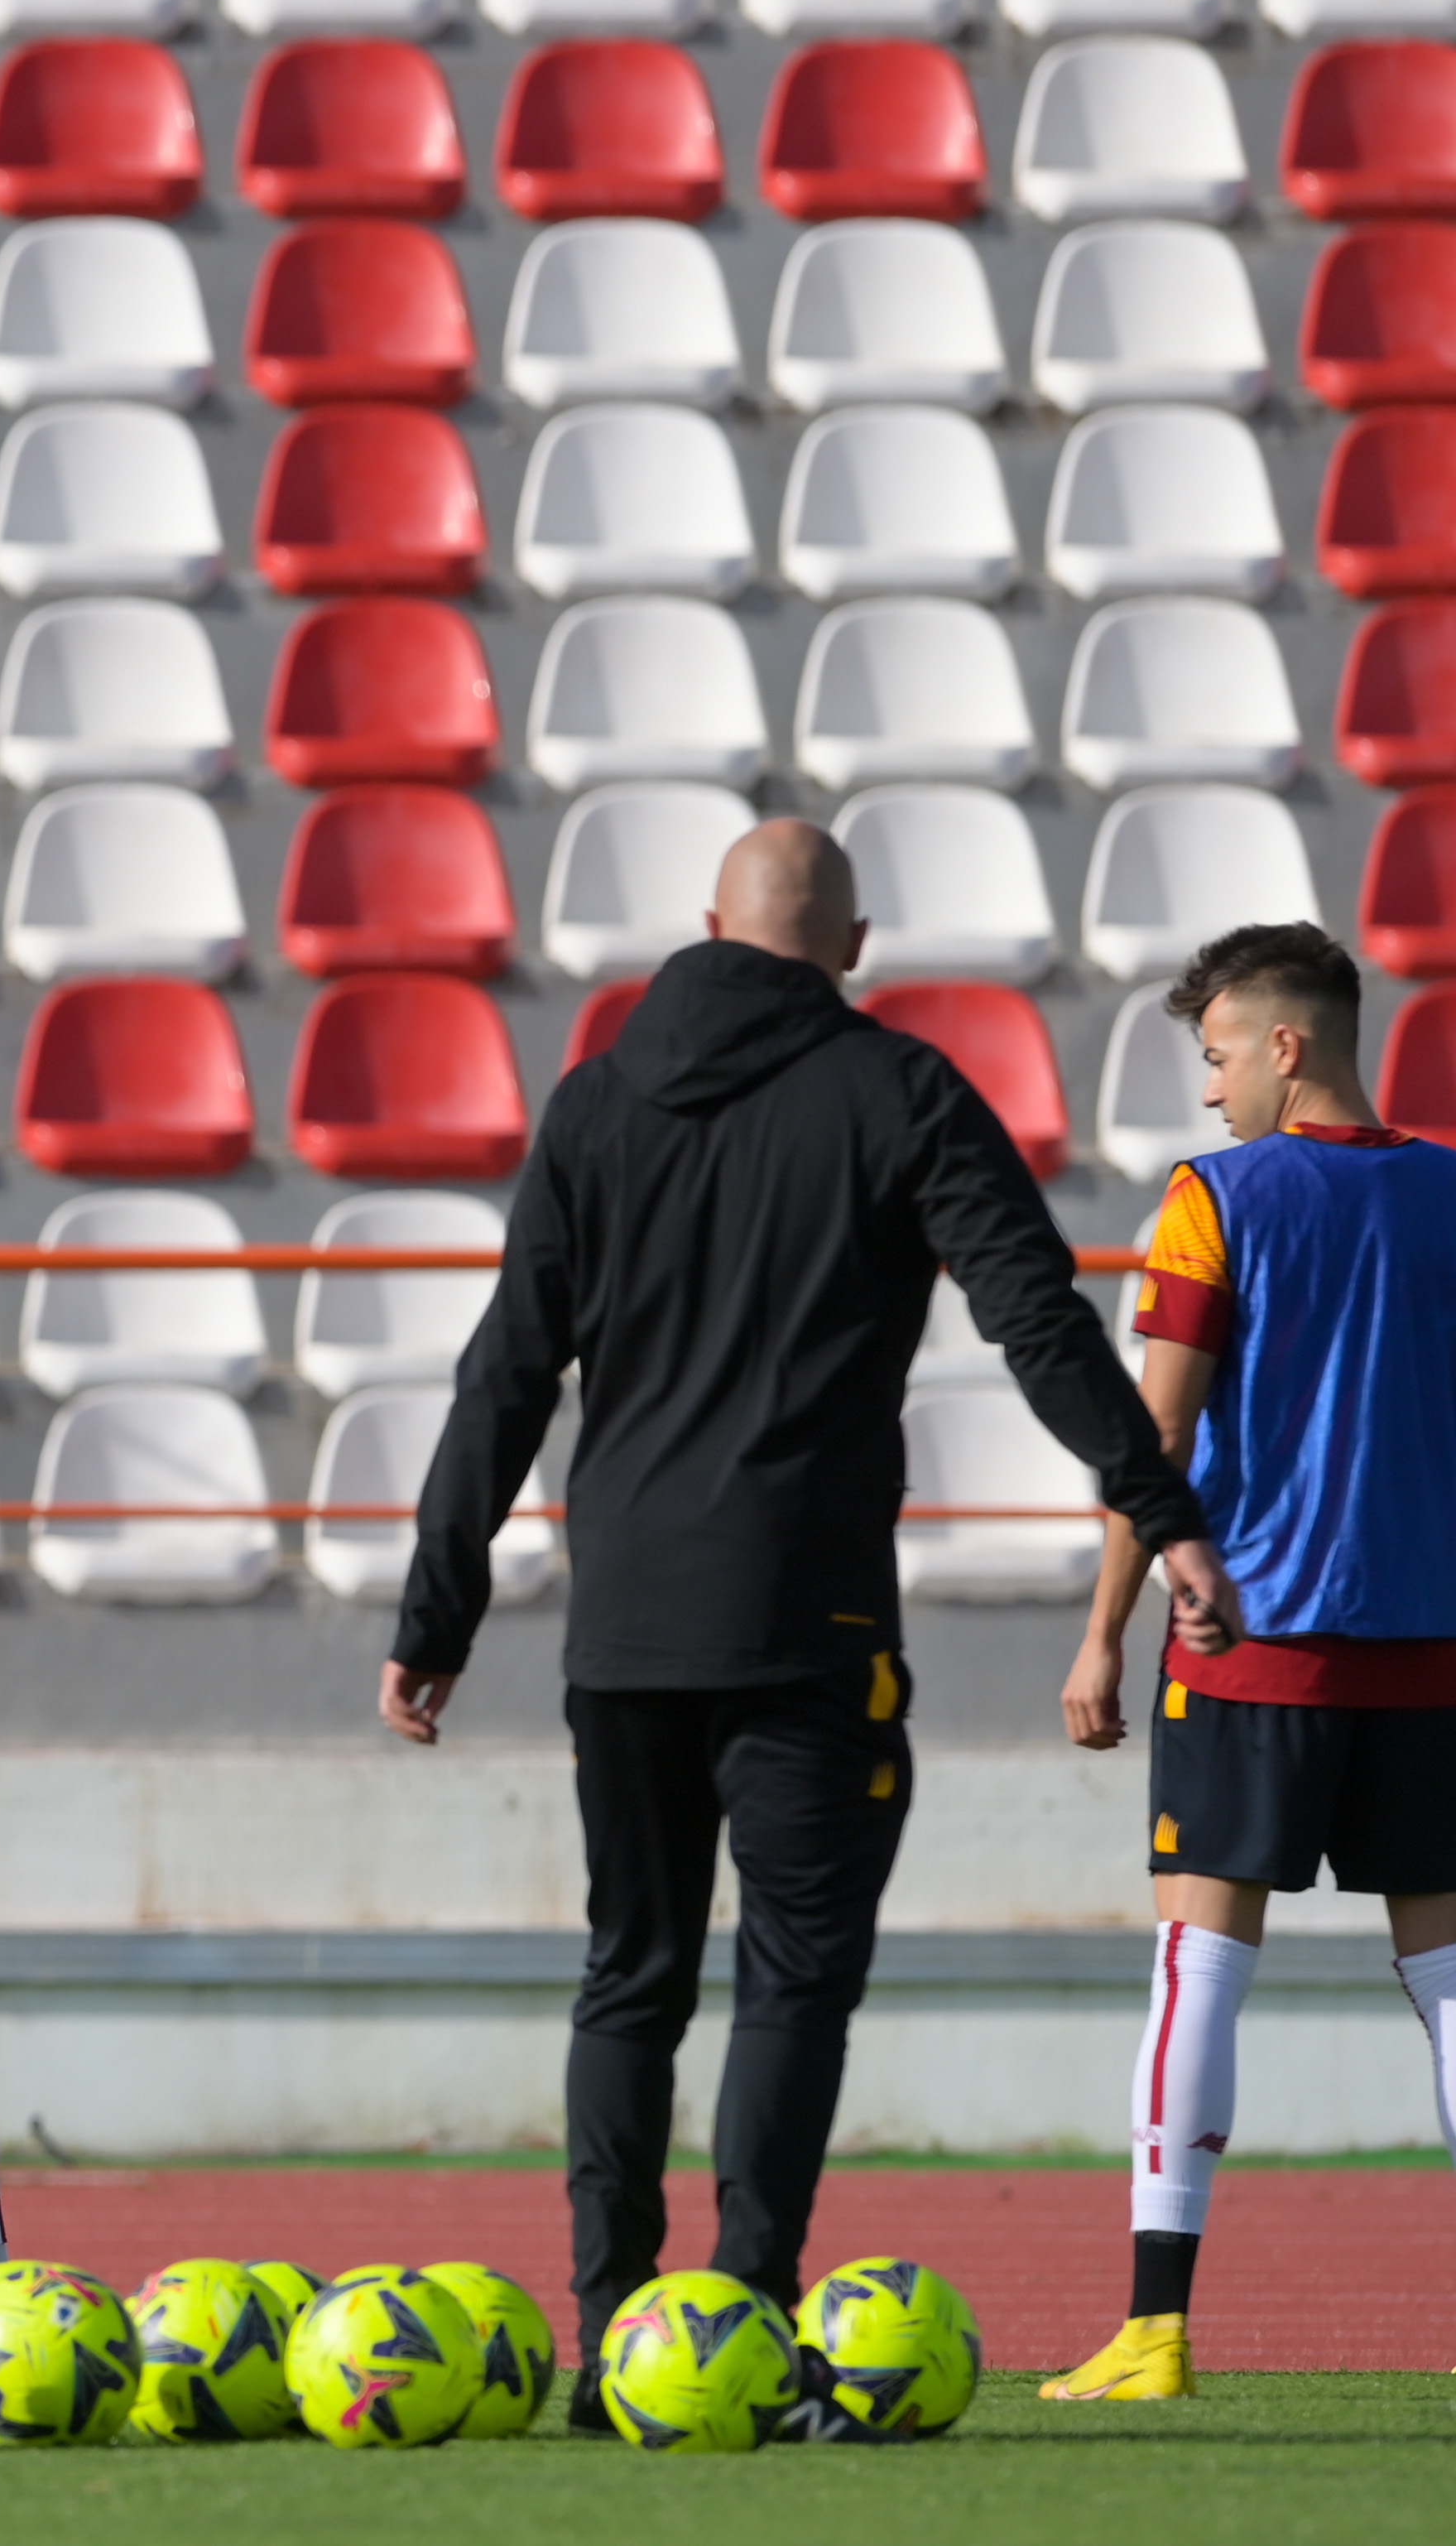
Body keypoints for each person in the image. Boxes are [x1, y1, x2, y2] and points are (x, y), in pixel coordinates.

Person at [377, 821, 1236, 2436]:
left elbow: (504, 1368)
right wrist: (1162, 1513)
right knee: (788, 1982)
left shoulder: (597, 1098)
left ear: (707, 927)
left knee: (625, 1974)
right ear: (850, 945)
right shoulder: (896, 1093)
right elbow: (1035, 1318)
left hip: (619, 1622)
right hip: (805, 1619)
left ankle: (608, 2337)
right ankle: (748, 2329)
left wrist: (439, 1604)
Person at [1042, 924, 1456, 2404]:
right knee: (1453, 1977)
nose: (1210, 1090)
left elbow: (1152, 1441)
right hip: (1434, 1649)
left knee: (1200, 1968)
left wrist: (1101, 1633)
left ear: (1287, 1045)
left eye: (1218, 1053)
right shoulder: (1453, 1187)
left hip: (1252, 1644)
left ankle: (1156, 2331)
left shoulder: (1216, 1197)